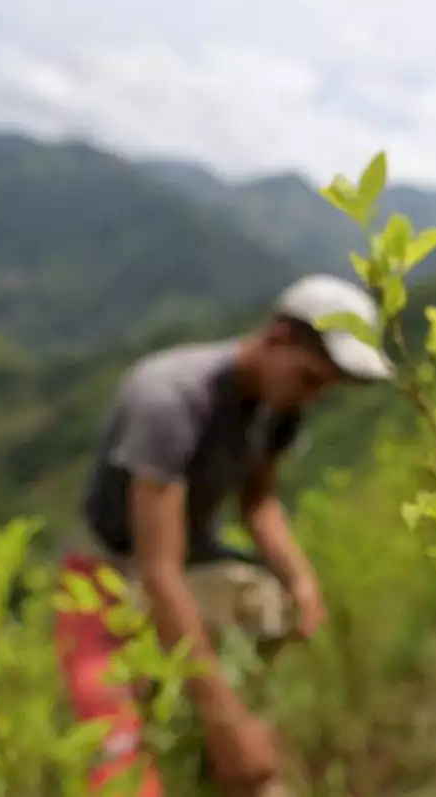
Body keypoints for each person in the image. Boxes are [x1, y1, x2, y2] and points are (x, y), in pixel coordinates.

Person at [53, 274, 393, 797]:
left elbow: (258, 502)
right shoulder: (168, 398)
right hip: (106, 573)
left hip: (190, 560)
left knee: (271, 607)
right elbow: (157, 571)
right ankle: (202, 727)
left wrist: (301, 583)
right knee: (118, 761)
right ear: (277, 338)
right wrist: (225, 722)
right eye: (309, 379)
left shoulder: (281, 408)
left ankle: (210, 734)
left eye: (326, 386)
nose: (315, 396)